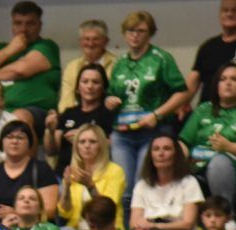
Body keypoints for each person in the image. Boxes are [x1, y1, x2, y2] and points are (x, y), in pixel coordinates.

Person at [105, 11, 189, 204]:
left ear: (150, 33)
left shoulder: (161, 59)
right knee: (124, 189)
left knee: (142, 185)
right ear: (124, 33)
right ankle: (127, 224)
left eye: (141, 31)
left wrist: (157, 114)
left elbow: (182, 93)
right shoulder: (120, 63)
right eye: (130, 30)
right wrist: (110, 101)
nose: (135, 35)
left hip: (152, 132)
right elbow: (111, 94)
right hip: (123, 133)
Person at [180, 62, 236, 203]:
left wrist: (229, 147)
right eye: (223, 79)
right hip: (198, 167)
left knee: (219, 162)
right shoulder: (203, 109)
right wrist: (175, 159)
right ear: (217, 85)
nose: (228, 83)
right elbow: (183, 142)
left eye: (234, 79)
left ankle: (225, 213)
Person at [0, 0, 61, 135]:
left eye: (30, 24)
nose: (23, 29)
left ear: (39, 25)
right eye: (18, 23)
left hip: (34, 111)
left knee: (19, 117)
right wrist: (10, 50)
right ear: (12, 25)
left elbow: (20, 70)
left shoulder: (47, 46)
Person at [0, 121, 58, 224]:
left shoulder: (42, 169)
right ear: (1, 142)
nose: (14, 141)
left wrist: (17, 214)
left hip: (30, 227)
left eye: (20, 138)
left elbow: (50, 210)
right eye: (9, 137)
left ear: (29, 143)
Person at [48, 62, 115, 175]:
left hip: (95, 175)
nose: (90, 86)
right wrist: (50, 131)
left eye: (95, 82)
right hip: (64, 173)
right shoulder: (68, 113)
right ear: (78, 87)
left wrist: (81, 137)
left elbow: (115, 144)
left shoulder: (107, 113)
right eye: (85, 81)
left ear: (103, 87)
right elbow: (51, 151)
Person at [57, 123, 124, 230]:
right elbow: (65, 213)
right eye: (82, 142)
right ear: (76, 146)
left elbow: (107, 210)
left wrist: (90, 186)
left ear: (101, 145)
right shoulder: (73, 172)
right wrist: (67, 188)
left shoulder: (115, 171)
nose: (87, 146)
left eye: (92, 142)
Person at [55, 18, 117, 113]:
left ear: (106, 41)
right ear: (80, 41)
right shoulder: (72, 67)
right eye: (86, 39)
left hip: (106, 115)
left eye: (96, 39)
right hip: (77, 116)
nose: (90, 44)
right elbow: (66, 100)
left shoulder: (117, 64)